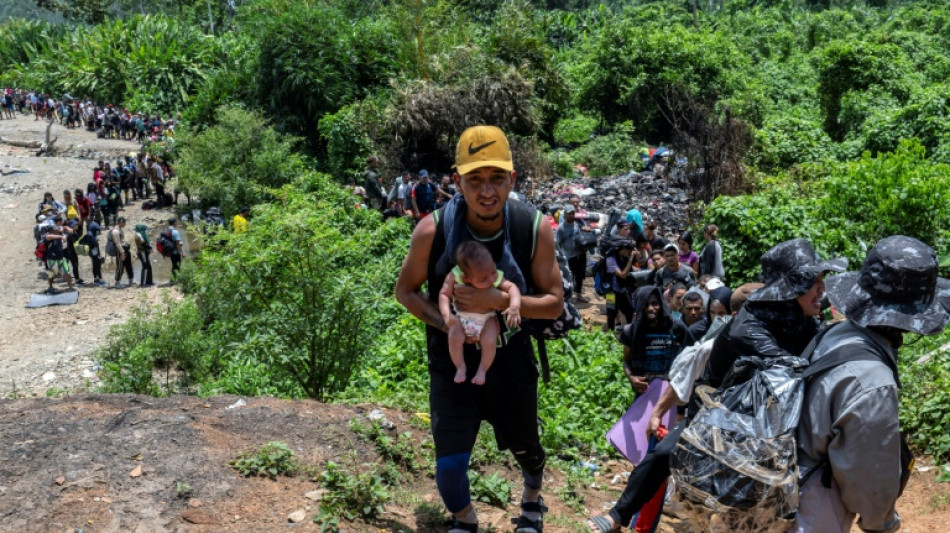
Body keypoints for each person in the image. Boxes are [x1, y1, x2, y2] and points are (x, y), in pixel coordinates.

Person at [586, 239, 844, 533]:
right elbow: (792, 372)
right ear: (792, 287)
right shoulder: (750, 327)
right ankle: (617, 515)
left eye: (822, 280)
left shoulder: (804, 322)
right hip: (715, 420)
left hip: (769, 423)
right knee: (662, 455)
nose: (822, 289)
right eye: (815, 281)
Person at [395, 125, 563, 533]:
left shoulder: (532, 228)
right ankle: (465, 520)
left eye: (496, 179)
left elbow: (555, 302)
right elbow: (406, 292)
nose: (487, 191)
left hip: (511, 359)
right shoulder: (432, 231)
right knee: (449, 463)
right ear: (457, 182)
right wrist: (449, 323)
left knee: (528, 450)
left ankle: (531, 500)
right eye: (475, 180)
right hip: (451, 362)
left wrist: (501, 303)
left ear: (512, 180)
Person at [795, 236, 950, 533]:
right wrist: (882, 523)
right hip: (813, 508)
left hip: (790, 483)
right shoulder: (872, 379)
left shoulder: (837, 334)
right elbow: (869, 478)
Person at [439, 241, 522, 385]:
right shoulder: (454, 276)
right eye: (483, 279)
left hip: (487, 318)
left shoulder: (491, 274)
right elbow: (444, 294)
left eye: (493, 271)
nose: (491, 279)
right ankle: (460, 366)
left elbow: (512, 287)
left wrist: (515, 306)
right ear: (466, 278)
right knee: (453, 337)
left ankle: (482, 369)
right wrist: (447, 315)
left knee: (489, 340)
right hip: (461, 318)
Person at [555, 204, 592, 301]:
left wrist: (587, 230)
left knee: (580, 276)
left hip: (580, 254)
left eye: (573, 213)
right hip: (569, 256)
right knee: (570, 276)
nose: (571, 215)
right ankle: (568, 296)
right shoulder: (561, 228)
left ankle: (578, 295)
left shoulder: (578, 224)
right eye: (569, 214)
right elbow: (557, 244)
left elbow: (584, 235)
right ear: (565, 215)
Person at [43, 218, 74, 293]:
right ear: (50, 231)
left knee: (67, 272)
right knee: (51, 274)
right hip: (52, 259)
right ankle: (50, 287)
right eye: (54, 230)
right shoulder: (47, 237)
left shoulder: (58, 233)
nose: (56, 231)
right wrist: (61, 237)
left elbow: (64, 228)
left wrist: (68, 228)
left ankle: (70, 288)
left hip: (61, 258)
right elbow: (50, 237)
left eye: (56, 230)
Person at [81, 221, 107, 286]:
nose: (97, 231)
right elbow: (95, 244)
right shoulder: (91, 235)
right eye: (96, 230)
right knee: (98, 266)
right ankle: (101, 280)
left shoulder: (90, 233)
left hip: (92, 252)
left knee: (95, 265)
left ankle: (96, 279)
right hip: (93, 252)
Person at [111, 217, 134, 287]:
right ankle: (117, 282)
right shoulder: (115, 231)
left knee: (129, 265)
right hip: (120, 251)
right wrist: (122, 253)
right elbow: (117, 243)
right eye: (124, 222)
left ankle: (130, 280)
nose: (125, 224)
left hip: (125, 250)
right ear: (120, 222)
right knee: (120, 266)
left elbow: (122, 241)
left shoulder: (120, 230)